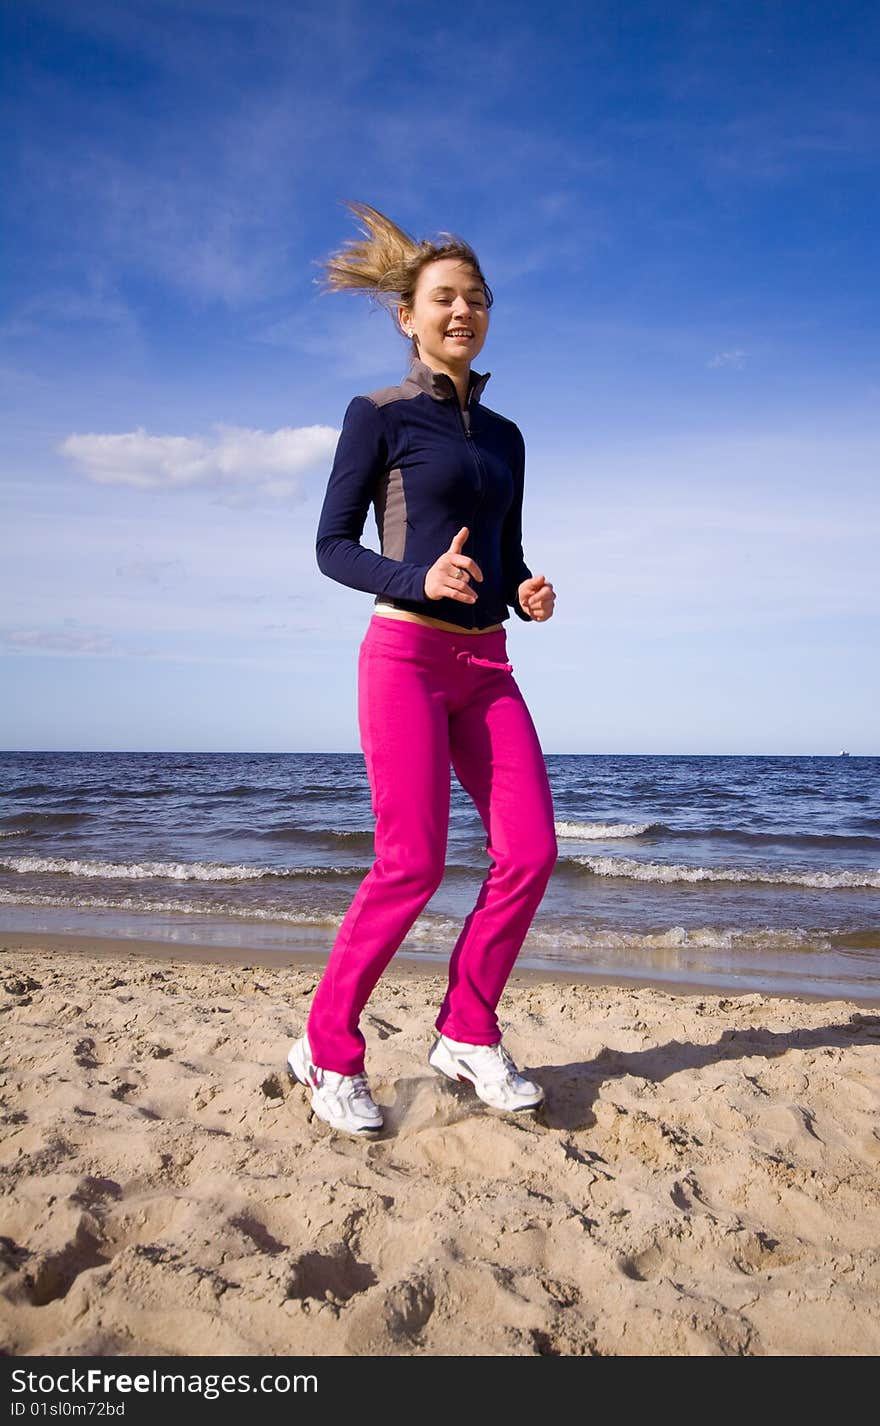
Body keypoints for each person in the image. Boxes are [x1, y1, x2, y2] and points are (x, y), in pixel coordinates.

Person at [287, 201, 558, 1136]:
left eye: (475, 299)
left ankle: (467, 1031)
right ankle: (327, 1051)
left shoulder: (508, 437)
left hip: (488, 663)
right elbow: (331, 547)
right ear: (408, 315)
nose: (462, 313)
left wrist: (524, 587)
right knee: (410, 863)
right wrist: (420, 577)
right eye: (444, 299)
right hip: (404, 654)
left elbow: (507, 548)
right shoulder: (379, 415)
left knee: (530, 851)